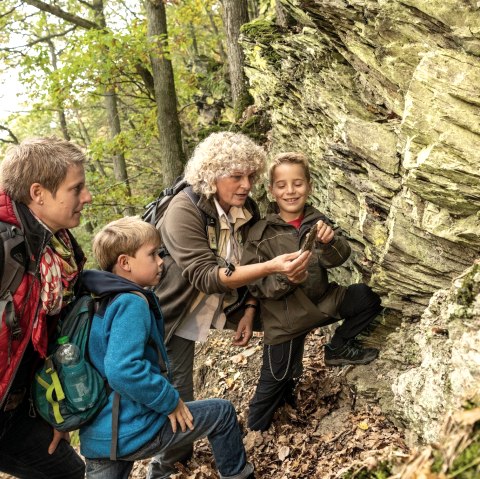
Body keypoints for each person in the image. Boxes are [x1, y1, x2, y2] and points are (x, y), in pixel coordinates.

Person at [150, 132, 311, 478]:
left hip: (222, 302)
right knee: (179, 393)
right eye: (236, 176)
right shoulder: (184, 210)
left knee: (287, 303)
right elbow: (207, 276)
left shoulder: (246, 209)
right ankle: (167, 467)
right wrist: (271, 267)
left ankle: (281, 387)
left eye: (251, 176)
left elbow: (250, 260)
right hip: (170, 315)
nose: (246, 185)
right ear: (211, 175)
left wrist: (251, 308)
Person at [79, 216, 255, 479]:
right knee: (222, 413)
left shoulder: (99, 301)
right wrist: (169, 402)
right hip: (135, 427)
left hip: (100, 435)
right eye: (152, 254)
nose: (161, 261)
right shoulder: (131, 303)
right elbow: (122, 369)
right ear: (125, 263)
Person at [241, 152, 382, 431]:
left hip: (323, 302)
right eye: (281, 185)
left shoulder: (318, 220)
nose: (290, 191)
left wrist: (330, 243)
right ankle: (253, 433)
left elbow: (338, 258)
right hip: (286, 319)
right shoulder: (260, 234)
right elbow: (257, 286)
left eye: (297, 183)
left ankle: (338, 346)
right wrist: (287, 279)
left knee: (367, 298)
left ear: (309, 186)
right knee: (276, 381)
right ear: (271, 190)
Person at [0, 137, 92, 478]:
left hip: (18, 412)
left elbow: (48, 339)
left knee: (69, 473)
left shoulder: (60, 248)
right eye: (76, 188)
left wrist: (54, 411)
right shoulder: (5, 245)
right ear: (38, 193)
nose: (87, 197)